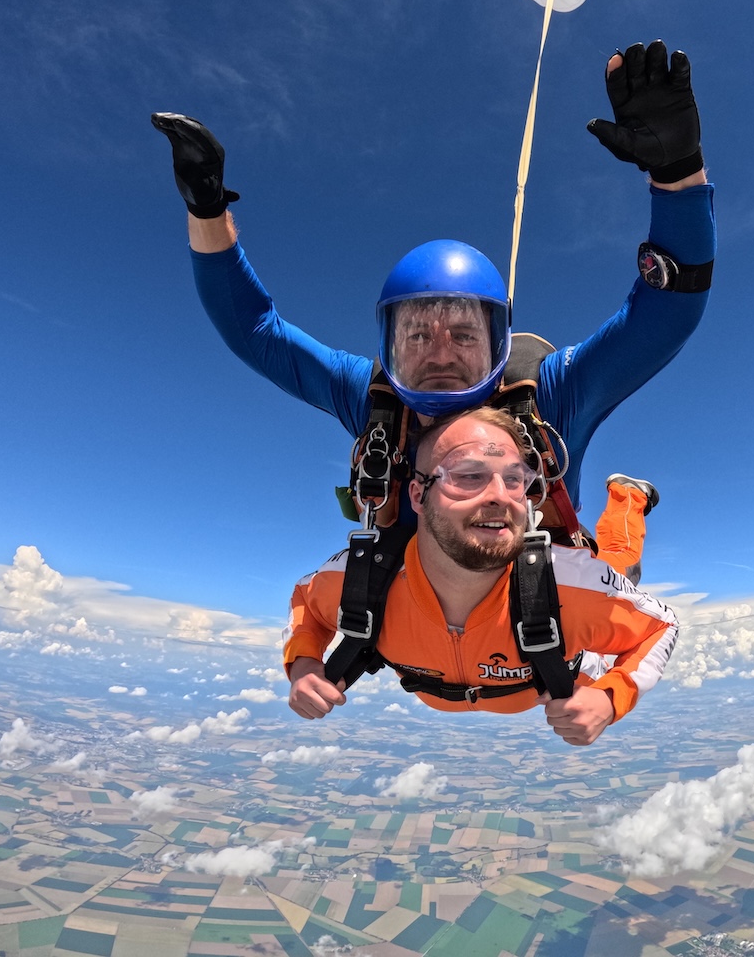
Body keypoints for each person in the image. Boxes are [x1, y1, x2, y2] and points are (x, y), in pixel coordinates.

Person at [152, 40, 716, 583]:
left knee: (617, 564)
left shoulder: (550, 397)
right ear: (389, 344)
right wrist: (206, 209)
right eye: (418, 335)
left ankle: (628, 498)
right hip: (438, 620)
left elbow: (665, 315)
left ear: (499, 344)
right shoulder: (374, 398)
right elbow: (256, 333)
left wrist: (678, 175)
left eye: (464, 335)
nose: (441, 354)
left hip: (551, 599)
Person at [282, 408, 679, 745]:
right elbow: (306, 600)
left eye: (514, 479)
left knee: (619, 562)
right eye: (468, 475)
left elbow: (662, 625)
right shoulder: (361, 578)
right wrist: (303, 662)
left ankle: (629, 497)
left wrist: (610, 697)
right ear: (418, 495)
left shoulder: (573, 586)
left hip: (566, 601)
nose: (500, 496)